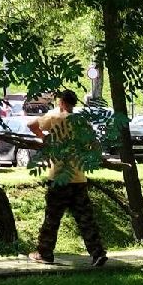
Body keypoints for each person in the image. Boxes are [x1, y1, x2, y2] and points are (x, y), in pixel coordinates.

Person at [27, 89, 108, 268]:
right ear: (73, 103)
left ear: (61, 102)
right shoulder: (81, 121)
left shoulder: (55, 116)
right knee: (85, 218)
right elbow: (94, 143)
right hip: (78, 177)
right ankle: (97, 253)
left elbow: (31, 124)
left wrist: (44, 138)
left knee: (53, 217)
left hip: (59, 177)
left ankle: (44, 253)